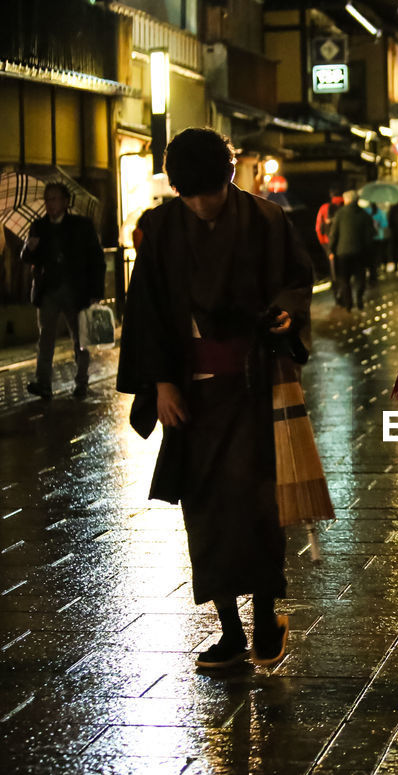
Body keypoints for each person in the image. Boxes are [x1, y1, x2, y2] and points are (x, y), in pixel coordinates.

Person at [116, 127, 313, 669]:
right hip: (191, 389)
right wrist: (160, 383)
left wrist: (287, 312)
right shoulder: (158, 229)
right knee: (204, 511)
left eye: (211, 191)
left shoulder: (266, 221)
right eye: (191, 194)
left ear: (229, 178)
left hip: (254, 382)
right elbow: (149, 310)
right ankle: (228, 628)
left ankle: (266, 616)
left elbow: (297, 280)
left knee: (257, 504)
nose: (202, 204)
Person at [21, 182, 105, 399]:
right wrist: (29, 249)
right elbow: (27, 258)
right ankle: (43, 383)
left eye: (55, 198)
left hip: (77, 290)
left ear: (66, 202)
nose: (50, 203)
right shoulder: (38, 226)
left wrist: (96, 290)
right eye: (47, 199)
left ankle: (81, 381)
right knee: (45, 338)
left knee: (80, 338)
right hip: (48, 289)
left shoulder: (81, 226)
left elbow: (96, 258)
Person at [326, 190, 374, 310]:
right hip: (360, 252)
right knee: (360, 278)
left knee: (344, 279)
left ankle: (348, 303)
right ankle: (359, 297)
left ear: (347, 200)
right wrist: (368, 252)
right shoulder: (364, 215)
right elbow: (369, 236)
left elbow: (334, 234)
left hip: (342, 252)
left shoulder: (340, 214)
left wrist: (331, 250)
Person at [367, 201, 389, 282]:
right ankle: (376, 271)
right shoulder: (380, 213)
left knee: (370, 256)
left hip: (369, 238)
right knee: (377, 255)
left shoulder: (366, 212)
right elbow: (384, 225)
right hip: (379, 237)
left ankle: (372, 272)